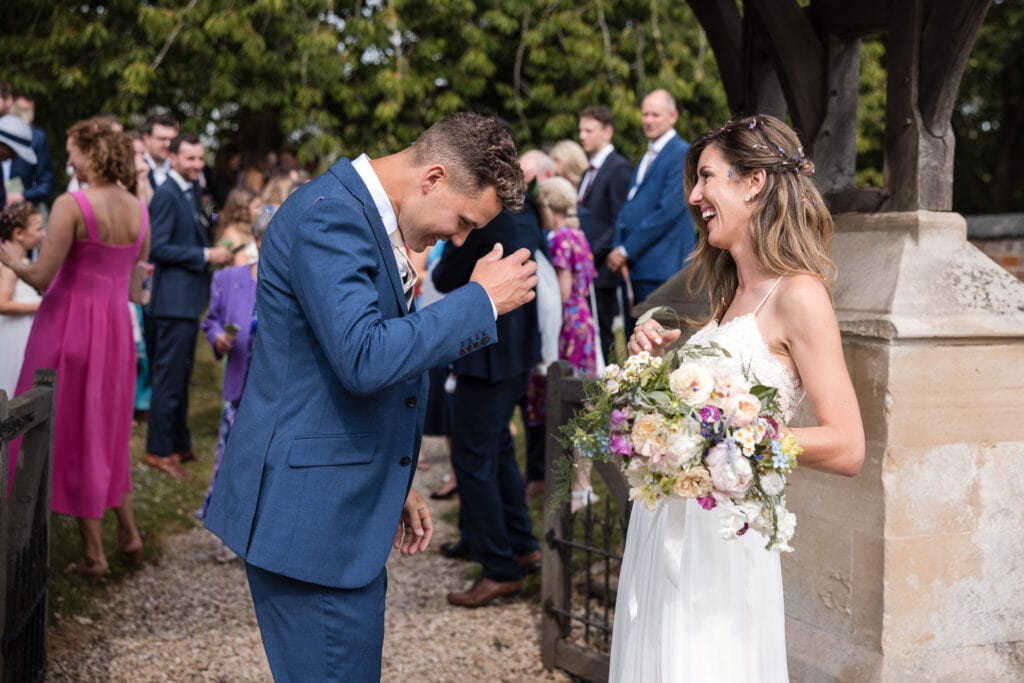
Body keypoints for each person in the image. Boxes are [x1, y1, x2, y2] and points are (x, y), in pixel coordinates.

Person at [203, 112, 537, 680]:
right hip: (310, 518)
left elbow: (336, 368)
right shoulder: (331, 216)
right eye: (462, 220)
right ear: (433, 177)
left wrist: (392, 474)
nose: (458, 238)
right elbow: (363, 357)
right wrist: (477, 302)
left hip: (335, 497)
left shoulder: (363, 217)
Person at [611, 114, 865, 681]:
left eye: (707, 178)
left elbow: (847, 445)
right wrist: (650, 378)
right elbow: (696, 415)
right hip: (670, 532)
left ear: (753, 183)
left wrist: (725, 442)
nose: (695, 196)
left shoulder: (799, 294)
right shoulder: (729, 294)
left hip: (723, 546)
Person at [0, 118, 149, 577]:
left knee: (61, 427)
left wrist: (10, 260)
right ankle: (128, 534)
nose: (67, 161)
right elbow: (137, 292)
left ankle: (92, 554)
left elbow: (43, 278)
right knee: (104, 430)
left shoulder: (72, 204)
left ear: (92, 152)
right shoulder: (140, 209)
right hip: (115, 332)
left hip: (67, 326)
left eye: (72, 152)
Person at [432, 161, 545, 607]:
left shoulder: (488, 222)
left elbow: (442, 278)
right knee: (496, 452)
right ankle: (518, 546)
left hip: (487, 356)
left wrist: (458, 240)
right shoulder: (525, 212)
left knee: (472, 458)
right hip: (514, 355)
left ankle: (497, 565)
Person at [144, 133, 233, 481]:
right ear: (174, 157)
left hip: (188, 298)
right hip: (171, 301)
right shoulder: (166, 194)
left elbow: (201, 224)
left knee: (182, 375)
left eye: (200, 159)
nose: (197, 165)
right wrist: (205, 255)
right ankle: (159, 450)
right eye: (190, 159)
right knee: (168, 378)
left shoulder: (194, 190)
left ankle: (179, 441)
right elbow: (158, 249)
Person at [197, 209, 273, 563]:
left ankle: (262, 539)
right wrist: (218, 340)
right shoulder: (229, 279)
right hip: (240, 388)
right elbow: (211, 321)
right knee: (230, 464)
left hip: (277, 396)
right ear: (258, 241)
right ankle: (227, 534)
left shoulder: (294, 284)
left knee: (269, 467)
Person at [608, 89, 695, 339]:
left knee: (656, 343)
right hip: (638, 266)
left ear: (673, 116)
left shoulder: (681, 152)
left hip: (662, 267)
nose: (648, 120)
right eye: (645, 114)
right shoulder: (649, 153)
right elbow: (631, 204)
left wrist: (626, 250)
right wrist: (618, 246)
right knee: (635, 342)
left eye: (655, 114)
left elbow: (667, 211)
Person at [539, 176, 600, 511]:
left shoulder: (560, 239)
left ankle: (576, 487)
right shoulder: (579, 236)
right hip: (585, 324)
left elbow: (562, 293)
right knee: (587, 402)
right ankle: (583, 483)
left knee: (572, 402)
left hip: (568, 325)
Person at [577, 105, 634, 362]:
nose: (582, 136)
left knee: (605, 338)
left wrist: (588, 253)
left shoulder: (618, 168)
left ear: (607, 132)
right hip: (588, 270)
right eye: (581, 130)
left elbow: (619, 220)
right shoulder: (588, 172)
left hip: (601, 269)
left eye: (589, 130)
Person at [0, 202, 43, 396]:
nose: (42, 234)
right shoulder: (10, 267)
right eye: (38, 229)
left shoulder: (21, 263)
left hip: (21, 332)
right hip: (12, 334)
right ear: (19, 234)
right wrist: (40, 306)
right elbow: (2, 303)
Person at [6, 96, 55, 210]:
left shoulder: (37, 137)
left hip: (23, 206)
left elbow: (45, 183)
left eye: (27, 111)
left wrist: (22, 195)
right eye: (19, 109)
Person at [216, 187, 261, 266]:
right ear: (243, 209)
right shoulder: (232, 233)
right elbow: (240, 266)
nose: (260, 212)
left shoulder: (252, 229)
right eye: (256, 207)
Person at [140, 112, 179, 190]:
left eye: (171, 140)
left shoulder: (180, 169)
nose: (167, 144)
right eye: (162, 139)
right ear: (146, 140)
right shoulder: (135, 168)